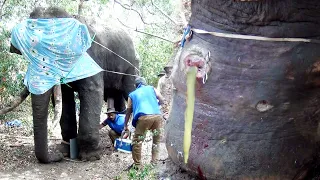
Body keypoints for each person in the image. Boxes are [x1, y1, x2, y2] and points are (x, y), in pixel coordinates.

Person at [124, 77, 164, 170]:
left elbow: (128, 111)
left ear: (136, 85)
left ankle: (137, 165)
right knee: (156, 140)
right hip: (157, 116)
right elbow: (161, 99)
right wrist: (155, 107)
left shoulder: (132, 94)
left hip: (143, 118)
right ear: (145, 83)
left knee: (137, 141)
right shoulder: (152, 88)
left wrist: (125, 125)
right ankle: (154, 163)